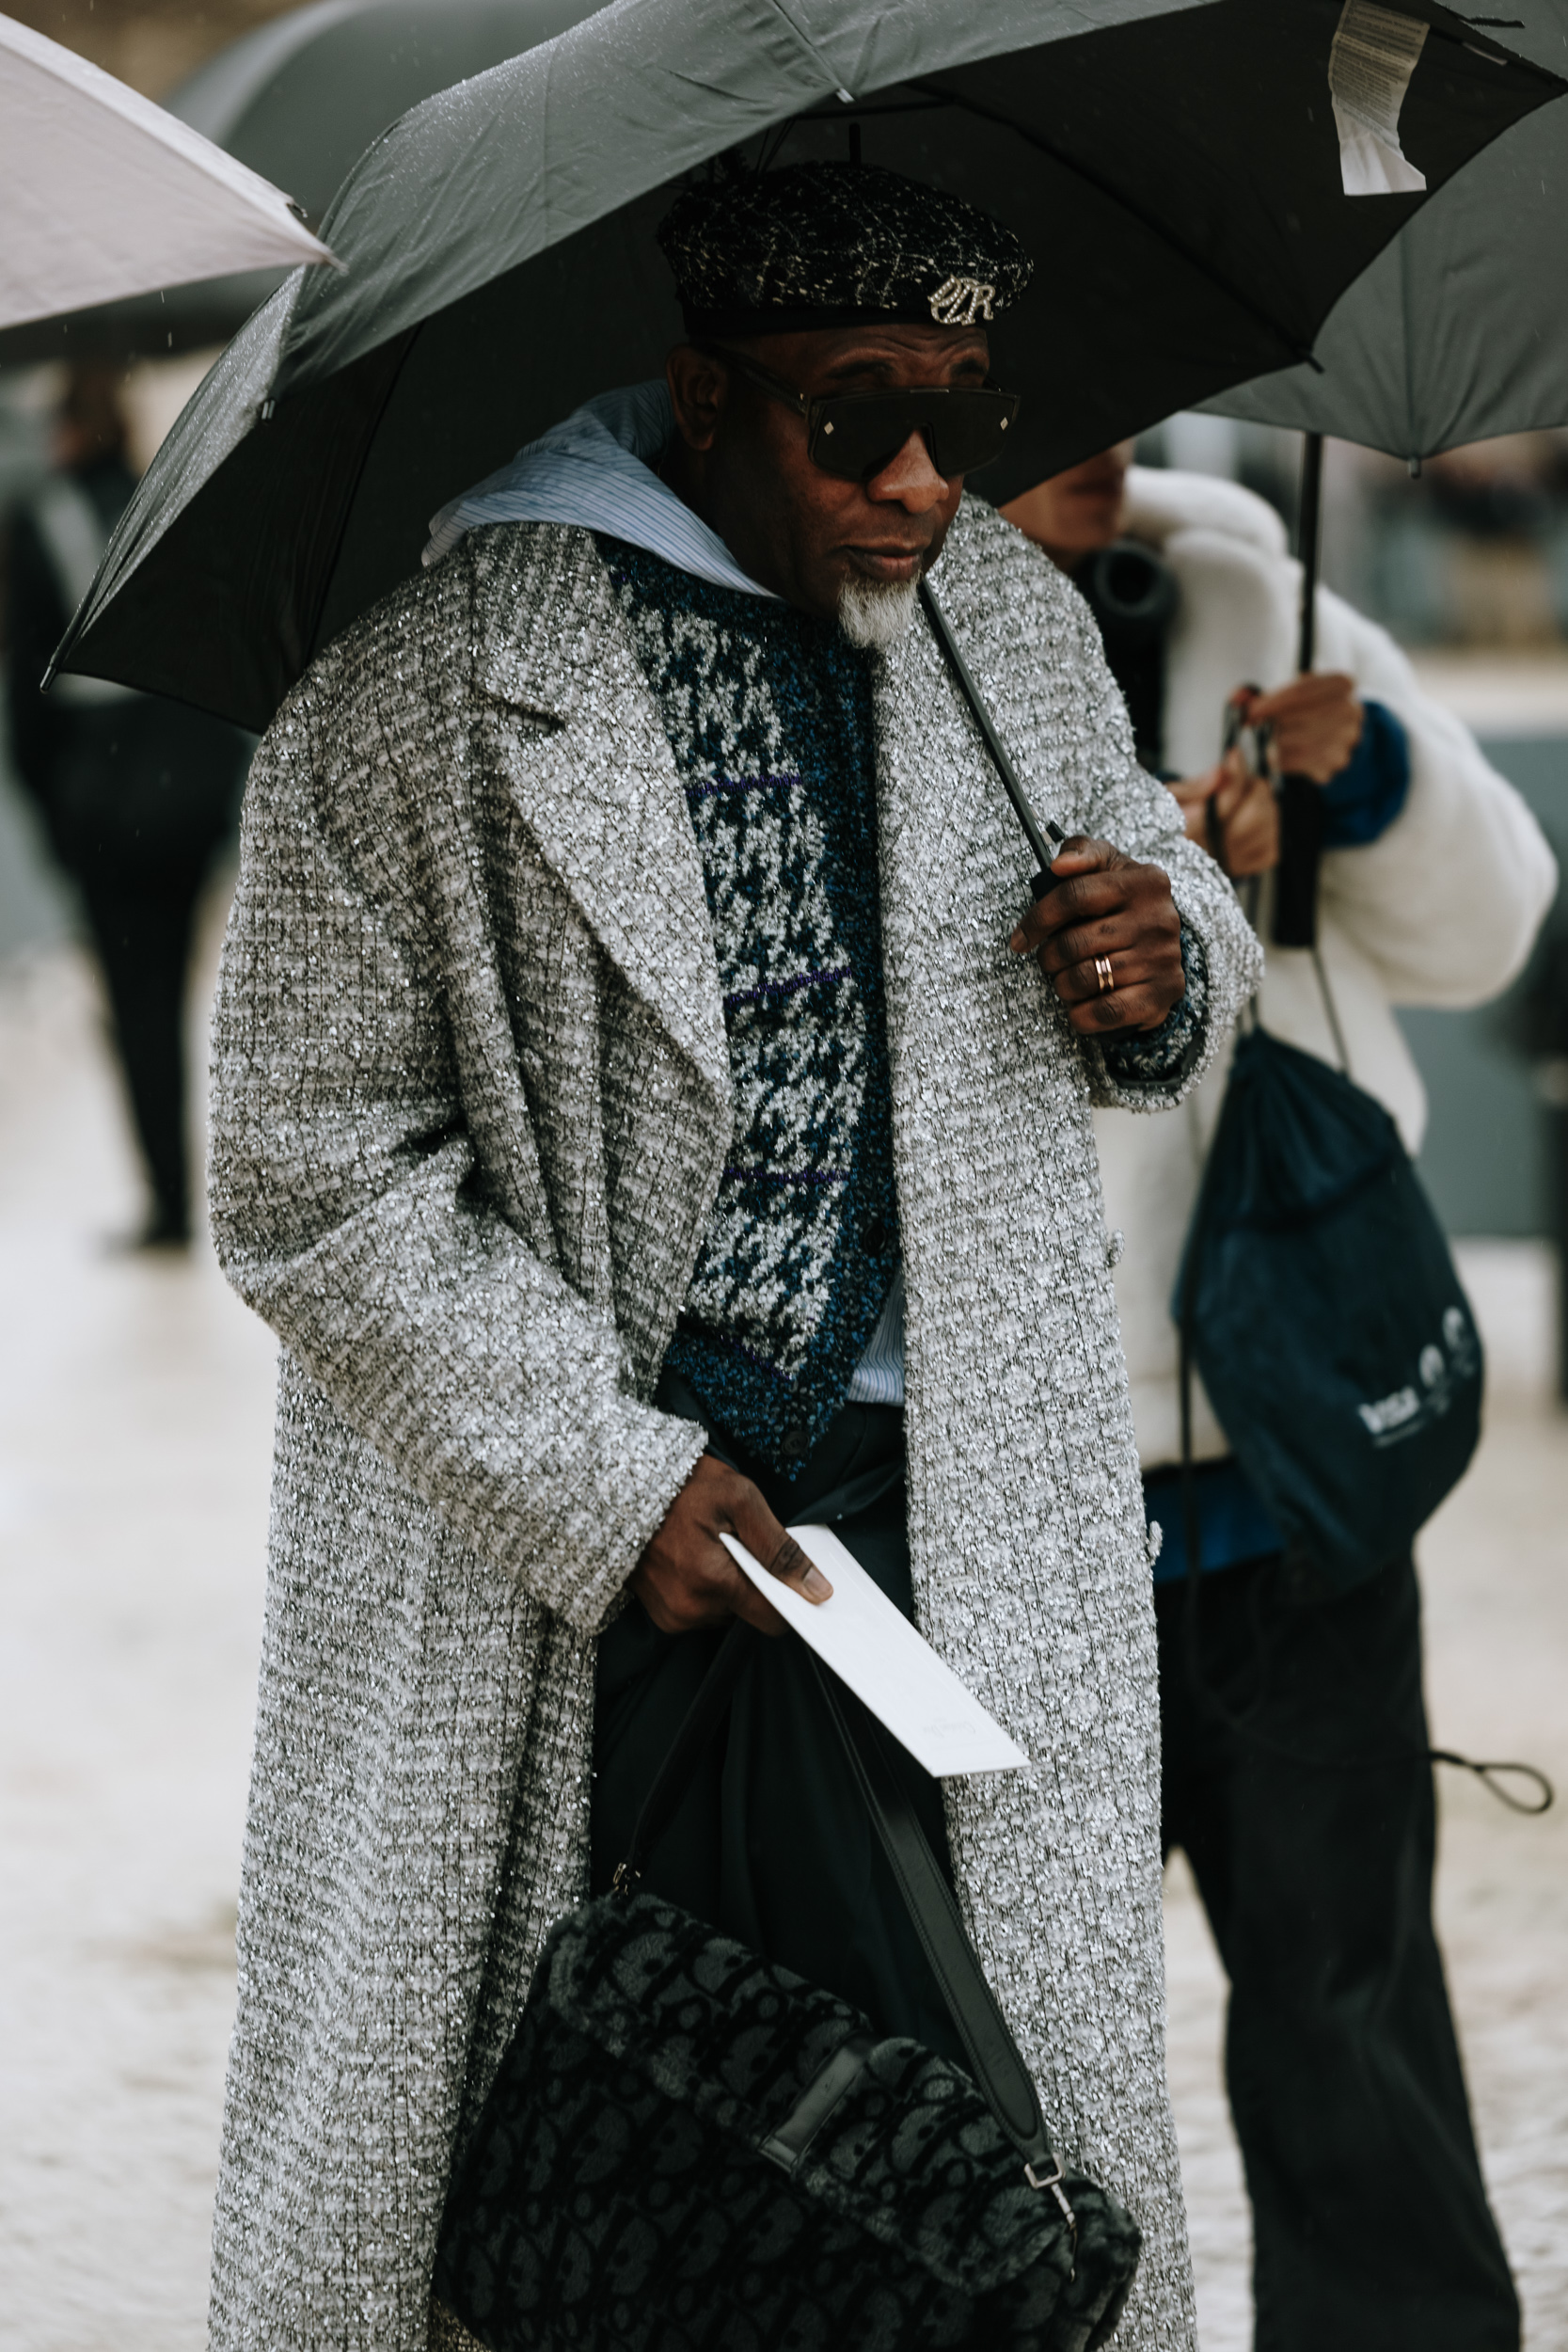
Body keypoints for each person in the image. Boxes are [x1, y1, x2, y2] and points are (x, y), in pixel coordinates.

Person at [205, 164, 1260, 2352]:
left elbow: (1153, 885)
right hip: (587, 1590)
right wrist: (610, 1485)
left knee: (953, 2196)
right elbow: (301, 1165)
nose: (913, 482)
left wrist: (1160, 957)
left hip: (943, 1560)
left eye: (955, 420)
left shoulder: (1009, 620)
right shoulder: (426, 689)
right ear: (700, 392)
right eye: (852, 420)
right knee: (607, 2187)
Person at [1002, 442, 1558, 2352]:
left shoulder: (1244, 580)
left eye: (1120, 412)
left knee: (1344, 2014)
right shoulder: (852, 644)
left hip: (1280, 1447)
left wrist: (1364, 775)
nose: (1092, 455)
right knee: (1007, 2055)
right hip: (1007, 1498)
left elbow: (1486, 931)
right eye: (1030, 413)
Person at [1, 362, 248, 1247]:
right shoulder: (164, 506)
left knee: (134, 1001)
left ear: (64, 429)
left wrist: (54, 825)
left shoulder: (41, 524)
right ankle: (198, 1186)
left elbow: (26, 712)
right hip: (185, 799)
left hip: (104, 813)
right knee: (174, 996)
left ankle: (169, 1200)